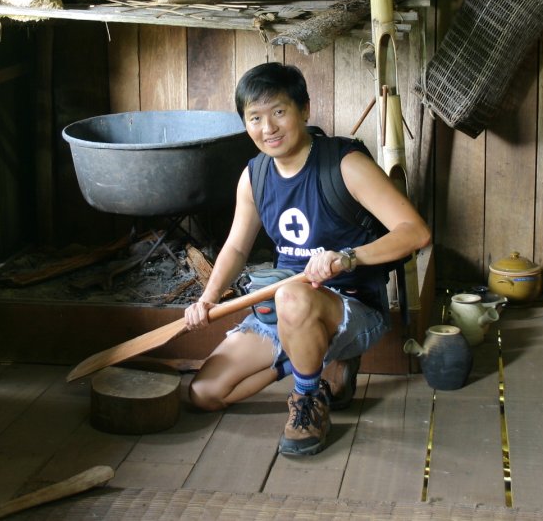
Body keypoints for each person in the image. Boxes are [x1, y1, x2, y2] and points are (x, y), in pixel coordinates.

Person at [184, 62, 432, 456]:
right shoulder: (255, 176)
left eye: (279, 112)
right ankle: (312, 365)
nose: (269, 128)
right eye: (255, 118)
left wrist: (348, 258)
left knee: (293, 298)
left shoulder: (344, 165)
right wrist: (208, 299)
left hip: (351, 307)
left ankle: (306, 399)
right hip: (285, 310)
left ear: (304, 110)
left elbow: (415, 232)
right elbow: (234, 247)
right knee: (204, 393)